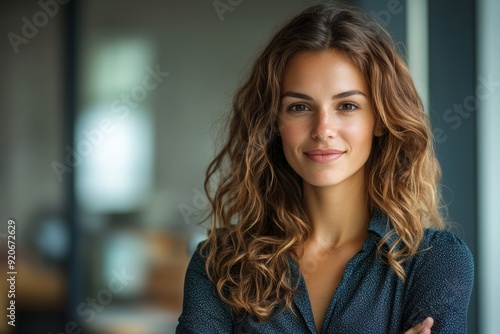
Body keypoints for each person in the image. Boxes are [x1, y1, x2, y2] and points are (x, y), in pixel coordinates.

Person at [176, 2, 474, 333]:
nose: (322, 129)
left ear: (379, 119)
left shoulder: (435, 261)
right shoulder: (219, 263)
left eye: (347, 106)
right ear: (274, 122)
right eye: (300, 106)